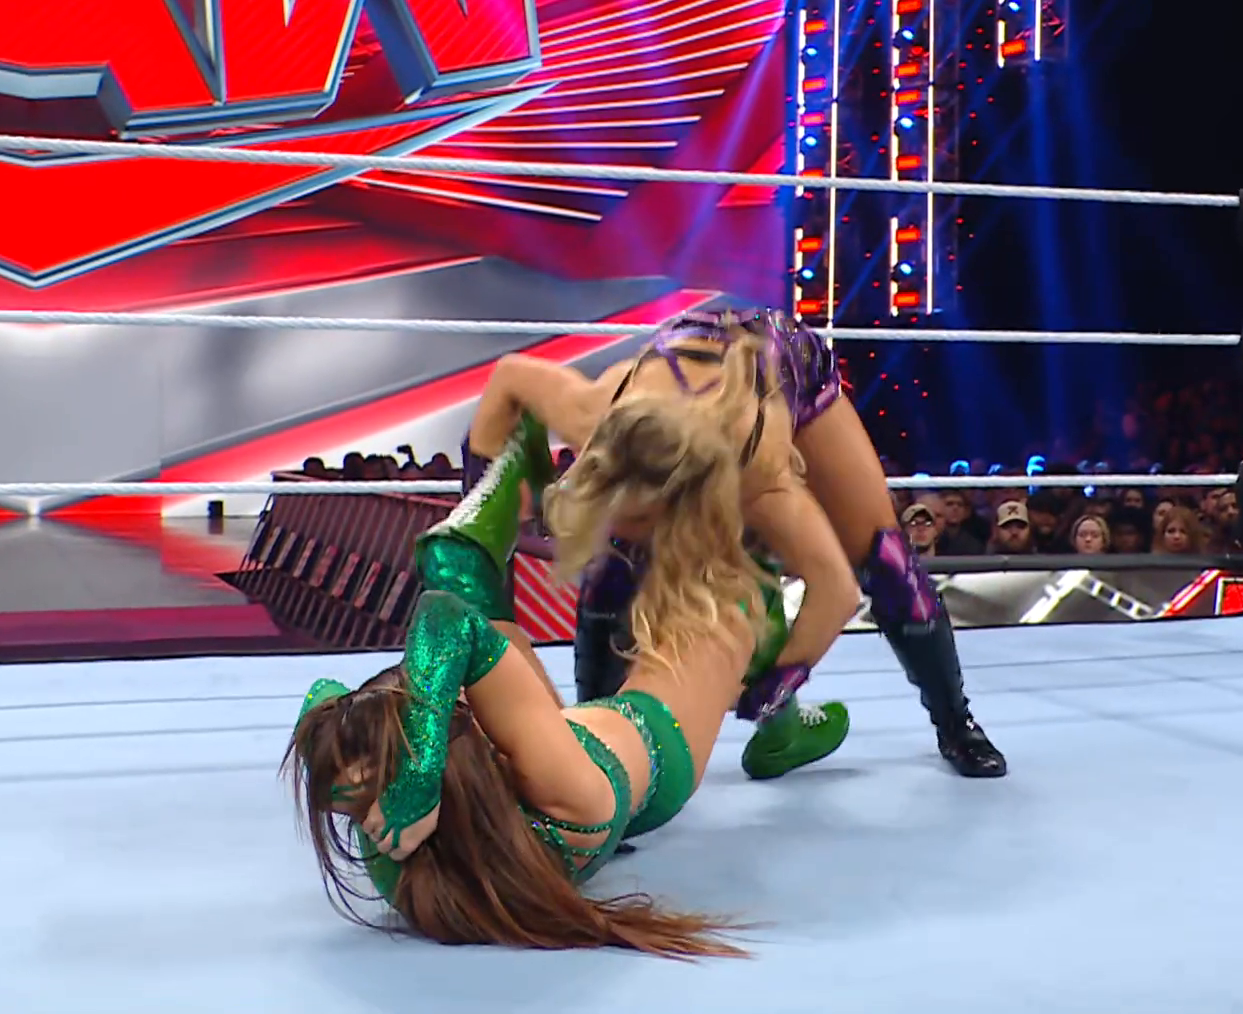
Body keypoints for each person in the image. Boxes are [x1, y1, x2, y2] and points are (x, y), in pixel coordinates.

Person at [288, 417, 849, 957]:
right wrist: (418, 766)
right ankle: (779, 726)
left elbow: (325, 693)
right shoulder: (563, 797)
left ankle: (507, 497)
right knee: (742, 588)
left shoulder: (395, 854)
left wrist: (368, 759)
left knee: (458, 580)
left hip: (551, 745)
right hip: (654, 735)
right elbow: (442, 619)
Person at [473, 308, 1006, 779]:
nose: (630, 533)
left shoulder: (760, 471)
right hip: (685, 372)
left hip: (786, 365)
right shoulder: (592, 413)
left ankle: (956, 725)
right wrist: (478, 528)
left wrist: (771, 689)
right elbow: (508, 377)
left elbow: (836, 590)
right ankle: (597, 750)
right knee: (611, 572)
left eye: (639, 521)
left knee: (888, 565)